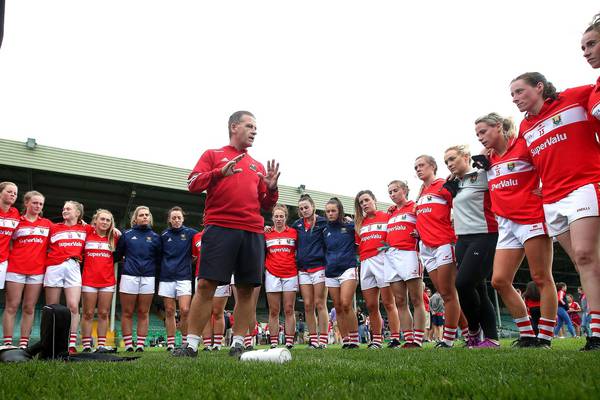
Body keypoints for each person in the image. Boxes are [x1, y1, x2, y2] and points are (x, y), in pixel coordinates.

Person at [175, 110, 280, 357]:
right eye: (250, 125)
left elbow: (265, 204)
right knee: (205, 285)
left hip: (252, 231)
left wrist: (272, 189)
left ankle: (239, 343)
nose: (255, 131)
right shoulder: (214, 155)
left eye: (256, 127)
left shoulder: (256, 165)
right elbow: (192, 183)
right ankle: (191, 345)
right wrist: (219, 173)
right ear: (234, 127)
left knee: (246, 289)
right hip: (220, 226)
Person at [510, 71, 600, 350]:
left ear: (539, 87)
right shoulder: (525, 127)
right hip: (551, 198)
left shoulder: (576, 96)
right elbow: (521, 161)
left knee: (586, 256)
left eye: (519, 91)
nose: (515, 98)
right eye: (512, 95)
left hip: (584, 186)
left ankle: (596, 335)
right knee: (583, 262)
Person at [475, 112, 556, 348]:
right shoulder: (487, 159)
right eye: (477, 134)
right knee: (499, 281)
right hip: (506, 224)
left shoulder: (523, 145)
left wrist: (546, 188)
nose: (480, 137)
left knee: (541, 277)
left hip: (531, 218)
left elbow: (548, 162)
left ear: (498, 127)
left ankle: (545, 337)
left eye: (484, 131)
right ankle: (527, 334)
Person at [444, 146, 499, 348]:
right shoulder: (454, 183)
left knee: (462, 283)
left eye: (452, 159)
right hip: (463, 240)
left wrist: (486, 155)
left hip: (484, 236)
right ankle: (491, 338)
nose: (449, 164)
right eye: (446, 162)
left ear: (466, 157)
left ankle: (474, 329)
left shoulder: (483, 174)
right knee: (478, 288)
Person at [414, 155, 460, 348]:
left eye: (421, 165)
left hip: (444, 243)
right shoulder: (421, 193)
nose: (418, 169)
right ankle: (467, 332)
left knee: (449, 292)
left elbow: (460, 206)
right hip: (426, 248)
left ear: (433, 166)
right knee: (443, 292)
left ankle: (449, 339)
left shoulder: (444, 185)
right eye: (415, 167)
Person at [2, 190, 50, 347]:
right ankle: (7, 343)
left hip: (37, 272)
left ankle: (23, 344)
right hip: (15, 269)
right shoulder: (16, 221)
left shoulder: (47, 224)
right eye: (35, 202)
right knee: (12, 306)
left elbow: (68, 228)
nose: (38, 206)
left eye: (40, 204)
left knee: (29, 308)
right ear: (26, 203)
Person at [354, 190, 401, 349]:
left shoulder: (387, 216)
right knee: (371, 305)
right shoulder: (360, 223)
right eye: (361, 202)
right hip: (365, 263)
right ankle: (377, 340)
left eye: (366, 200)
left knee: (389, 303)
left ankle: (395, 338)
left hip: (382, 260)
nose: (364, 204)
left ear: (374, 200)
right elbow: (357, 245)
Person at [385, 180, 426, 348]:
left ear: (405, 190)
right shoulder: (391, 212)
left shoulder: (415, 207)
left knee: (416, 299)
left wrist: (420, 233)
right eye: (390, 192)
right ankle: (409, 339)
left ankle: (418, 339)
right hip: (391, 256)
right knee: (400, 300)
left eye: (395, 190)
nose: (393, 194)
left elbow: (426, 224)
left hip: (409, 253)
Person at [580, 14, 600, 349]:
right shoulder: (593, 91)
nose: (586, 51)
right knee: (586, 255)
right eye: (583, 47)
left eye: (592, 44)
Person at [116, 206, 162, 352]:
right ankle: (129, 345)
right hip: (129, 276)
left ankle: (140, 345)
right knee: (127, 312)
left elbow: (159, 259)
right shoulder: (127, 235)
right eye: (141, 215)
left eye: (147, 215)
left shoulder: (156, 237)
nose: (144, 217)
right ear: (135, 219)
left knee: (143, 312)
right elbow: (117, 255)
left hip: (148, 277)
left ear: (150, 217)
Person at [44, 200, 87, 353]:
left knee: (73, 306)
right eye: (63, 208)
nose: (64, 210)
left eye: (68, 208)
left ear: (78, 213)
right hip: (54, 267)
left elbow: (104, 228)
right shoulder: (53, 228)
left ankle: (71, 343)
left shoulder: (85, 229)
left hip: (74, 266)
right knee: (52, 307)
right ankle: (50, 342)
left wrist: (115, 229)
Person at [293, 194, 329, 349]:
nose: (304, 211)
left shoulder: (323, 222)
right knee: (307, 305)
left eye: (306, 207)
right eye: (301, 209)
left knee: (320, 303)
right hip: (303, 269)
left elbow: (336, 226)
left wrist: (346, 221)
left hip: (319, 267)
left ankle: (324, 340)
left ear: (313, 206)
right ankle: (313, 340)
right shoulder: (297, 225)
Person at [158, 207, 197, 351]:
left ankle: (186, 342)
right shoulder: (164, 235)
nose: (176, 220)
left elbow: (199, 246)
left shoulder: (191, 233)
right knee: (169, 311)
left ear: (183, 218)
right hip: (166, 277)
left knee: (185, 310)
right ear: (169, 219)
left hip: (184, 277)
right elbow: (158, 255)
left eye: (179, 217)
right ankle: (170, 343)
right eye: (173, 218)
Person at [80, 209, 119, 352]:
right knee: (88, 313)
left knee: (104, 313)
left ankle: (101, 345)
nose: (105, 222)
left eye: (108, 220)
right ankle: (86, 345)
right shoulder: (87, 233)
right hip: (89, 281)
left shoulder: (114, 237)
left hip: (107, 282)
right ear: (95, 221)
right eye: (102, 219)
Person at [323, 197, 359, 349]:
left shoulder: (350, 225)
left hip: (348, 268)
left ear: (340, 211)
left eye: (333, 211)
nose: (330, 214)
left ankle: (355, 340)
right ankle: (346, 341)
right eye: (328, 211)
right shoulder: (323, 229)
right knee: (337, 307)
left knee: (346, 304)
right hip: (331, 271)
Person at [264, 204, 298, 349]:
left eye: (281, 216)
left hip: (290, 273)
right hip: (272, 273)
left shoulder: (294, 233)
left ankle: (289, 342)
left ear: (285, 217)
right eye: (276, 216)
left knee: (289, 309)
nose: (279, 219)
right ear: (272, 218)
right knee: (274, 310)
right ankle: (273, 342)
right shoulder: (266, 233)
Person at [192, 230, 231, 351]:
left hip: (221, 274)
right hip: (202, 275)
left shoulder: (225, 234)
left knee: (218, 312)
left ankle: (218, 344)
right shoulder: (197, 237)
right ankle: (208, 344)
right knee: (205, 312)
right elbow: (194, 257)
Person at [0, 182, 19, 291]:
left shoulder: (15, 213)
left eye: (15, 193)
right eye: (9, 191)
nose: (12, 195)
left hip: (2, 260)